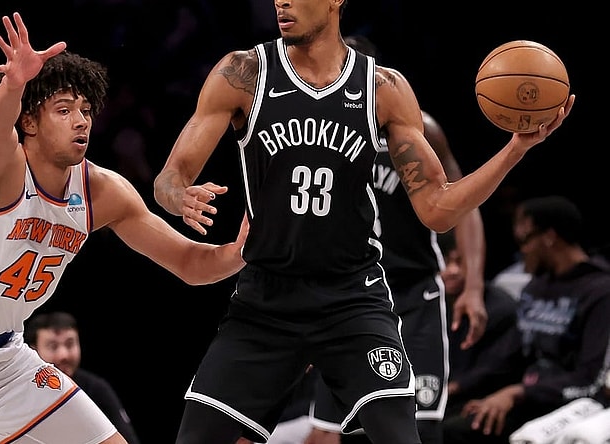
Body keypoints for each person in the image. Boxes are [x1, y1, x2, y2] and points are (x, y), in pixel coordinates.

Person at [152, 0, 575, 442]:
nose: (281, 1)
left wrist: (514, 151)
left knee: (402, 436)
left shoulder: (384, 88)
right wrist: (180, 195)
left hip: (352, 299)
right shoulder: (243, 73)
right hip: (265, 299)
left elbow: (438, 209)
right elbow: (169, 176)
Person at [0, 12, 247, 444]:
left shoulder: (104, 192)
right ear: (28, 121)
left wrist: (239, 251)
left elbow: (189, 263)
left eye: (86, 110)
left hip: (5, 358)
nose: (81, 120)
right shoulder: (2, 170)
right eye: (64, 109)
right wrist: (12, 87)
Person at [303, 34, 489, 444]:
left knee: (419, 428)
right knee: (329, 433)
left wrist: (473, 285)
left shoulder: (419, 130)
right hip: (346, 302)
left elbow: (465, 203)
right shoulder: (309, 135)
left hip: (413, 297)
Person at [442, 195, 610, 443]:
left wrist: (516, 393)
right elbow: (508, 356)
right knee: (443, 421)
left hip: (573, 403)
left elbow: (589, 378)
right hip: (527, 397)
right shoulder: (536, 288)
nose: (522, 251)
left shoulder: (600, 291)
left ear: (549, 237)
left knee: (463, 433)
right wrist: (457, 387)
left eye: (525, 240)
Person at [437, 230, 520, 420]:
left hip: (474, 396)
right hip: (428, 392)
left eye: (460, 262)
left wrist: (450, 389)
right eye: (444, 262)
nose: (452, 271)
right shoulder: (423, 303)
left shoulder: (500, 308)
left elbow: (496, 367)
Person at [24, 311, 142, 443]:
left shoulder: (96, 389)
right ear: (33, 351)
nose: (64, 355)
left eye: (69, 344)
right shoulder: (20, 391)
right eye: (53, 346)